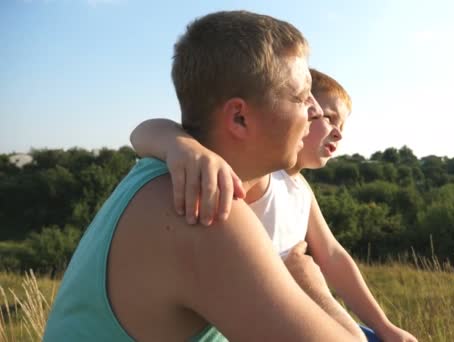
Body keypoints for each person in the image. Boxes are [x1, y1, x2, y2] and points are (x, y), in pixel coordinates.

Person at [43, 11, 369, 341]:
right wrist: (309, 282)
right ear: (239, 118)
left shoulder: (161, 174)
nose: (314, 111)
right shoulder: (205, 208)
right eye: (301, 97)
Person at [131, 69, 418, 342]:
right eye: (329, 118)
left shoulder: (301, 190)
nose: (338, 132)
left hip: (291, 315)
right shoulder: (262, 175)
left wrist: (385, 326)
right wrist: (181, 146)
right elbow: (144, 132)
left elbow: (332, 256)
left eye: (342, 125)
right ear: (301, 114)